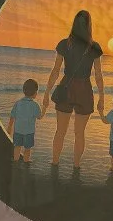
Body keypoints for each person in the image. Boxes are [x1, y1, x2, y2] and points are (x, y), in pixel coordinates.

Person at [43, 10, 104, 177]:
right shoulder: (94, 47)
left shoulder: (64, 44)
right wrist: (102, 98)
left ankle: (55, 163)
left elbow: (55, 71)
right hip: (84, 89)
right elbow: (98, 75)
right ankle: (76, 167)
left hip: (66, 87)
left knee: (60, 131)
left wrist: (47, 92)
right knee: (79, 133)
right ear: (89, 25)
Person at [7, 79, 42, 165]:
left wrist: (9, 128)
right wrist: (44, 107)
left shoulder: (18, 103)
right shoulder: (35, 105)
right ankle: (26, 161)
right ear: (35, 93)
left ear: (23, 91)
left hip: (18, 130)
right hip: (29, 131)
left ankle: (15, 160)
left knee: (17, 146)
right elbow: (39, 116)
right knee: (27, 148)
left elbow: (12, 116)